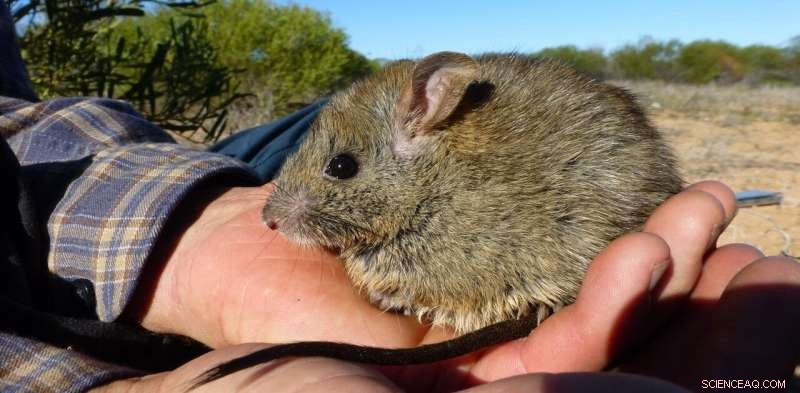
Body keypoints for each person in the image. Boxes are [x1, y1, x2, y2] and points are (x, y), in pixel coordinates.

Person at [2, 4, 799, 392]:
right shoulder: (399, 159)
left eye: (343, 170)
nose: (279, 213)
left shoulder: (469, 189)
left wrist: (190, 219)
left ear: (429, 121)